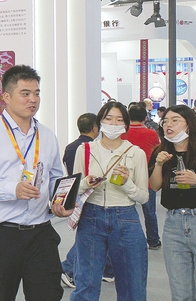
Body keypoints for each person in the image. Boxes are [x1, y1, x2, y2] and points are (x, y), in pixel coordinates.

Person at [0, 65, 71, 301]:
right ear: (6, 97)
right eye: (25, 93)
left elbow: (55, 176)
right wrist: (12, 189)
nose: (33, 99)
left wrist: (59, 201)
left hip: (40, 231)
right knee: (0, 295)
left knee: (48, 294)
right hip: (1, 233)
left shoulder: (46, 135)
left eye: (37, 93)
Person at [70, 101, 149, 301]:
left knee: (132, 283)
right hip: (91, 216)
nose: (113, 124)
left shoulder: (136, 153)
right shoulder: (85, 150)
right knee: (86, 282)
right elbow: (73, 188)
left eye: (119, 120)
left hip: (126, 218)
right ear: (100, 122)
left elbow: (143, 196)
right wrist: (87, 182)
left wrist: (126, 183)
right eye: (108, 118)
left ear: (126, 124)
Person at [60, 113, 115, 288]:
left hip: (77, 192)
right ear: (95, 128)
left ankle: (108, 269)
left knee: (97, 235)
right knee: (88, 237)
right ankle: (67, 268)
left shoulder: (70, 147)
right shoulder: (90, 148)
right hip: (90, 195)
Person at [150, 105, 196, 301]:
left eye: (175, 120)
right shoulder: (161, 152)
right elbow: (155, 186)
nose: (169, 125)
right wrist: (159, 165)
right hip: (173, 224)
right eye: (165, 121)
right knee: (180, 290)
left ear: (189, 124)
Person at [123, 102, 162, 249]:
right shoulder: (151, 134)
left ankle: (127, 241)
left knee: (125, 210)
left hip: (125, 177)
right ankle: (153, 240)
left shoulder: (122, 133)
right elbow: (157, 150)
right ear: (145, 117)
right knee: (149, 211)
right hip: (147, 176)